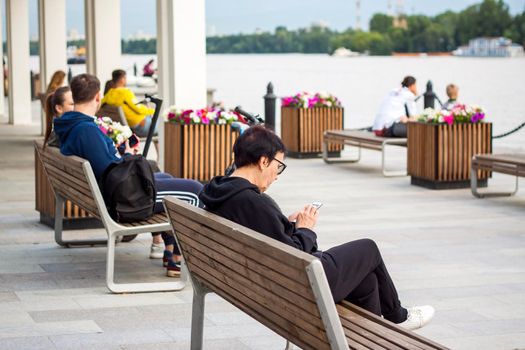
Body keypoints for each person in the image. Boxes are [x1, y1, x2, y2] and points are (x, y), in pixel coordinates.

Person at [199, 125, 435, 330]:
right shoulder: (253, 201)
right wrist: (306, 229)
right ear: (263, 161)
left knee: (367, 282)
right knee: (368, 248)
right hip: (296, 286)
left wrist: (286, 224)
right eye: (278, 166)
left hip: (261, 284)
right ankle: (398, 317)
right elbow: (296, 254)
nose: (277, 176)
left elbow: (267, 233)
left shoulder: (219, 191)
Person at [54, 73, 202, 277]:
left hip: (107, 193)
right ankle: (191, 260)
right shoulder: (85, 130)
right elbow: (111, 170)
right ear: (98, 96)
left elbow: (105, 163)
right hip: (121, 200)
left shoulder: (70, 125)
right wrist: (128, 155)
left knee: (165, 177)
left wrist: (120, 153)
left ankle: (170, 252)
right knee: (195, 191)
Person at [101, 69, 155, 137]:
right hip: (139, 126)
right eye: (125, 78)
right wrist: (153, 111)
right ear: (122, 79)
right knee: (162, 124)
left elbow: (100, 107)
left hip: (126, 127)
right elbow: (139, 109)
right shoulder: (125, 92)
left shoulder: (108, 94)